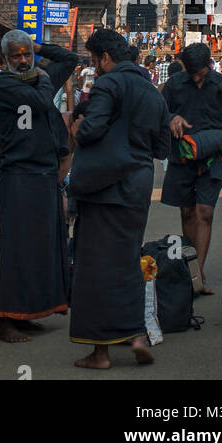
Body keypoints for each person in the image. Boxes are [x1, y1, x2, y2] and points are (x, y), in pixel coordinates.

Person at [68, 28, 170, 370]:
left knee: (94, 267)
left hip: (105, 187)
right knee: (127, 261)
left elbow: (91, 129)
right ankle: (137, 336)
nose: (95, 68)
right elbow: (163, 146)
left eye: (95, 61)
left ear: (105, 59)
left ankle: (100, 354)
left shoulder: (109, 84)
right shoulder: (153, 91)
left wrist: (75, 128)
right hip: (139, 185)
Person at [0, 29, 70, 343]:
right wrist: (44, 75)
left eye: (26, 54)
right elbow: (40, 99)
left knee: (43, 246)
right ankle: (5, 321)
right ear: (6, 59)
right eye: (16, 56)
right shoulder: (3, 82)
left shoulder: (38, 75)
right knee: (17, 248)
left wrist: (39, 46)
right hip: (19, 175)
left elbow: (70, 58)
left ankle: (28, 312)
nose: (23, 60)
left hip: (45, 174)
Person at [161, 42, 222, 294]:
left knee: (205, 212)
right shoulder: (175, 83)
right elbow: (159, 110)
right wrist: (171, 118)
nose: (197, 78)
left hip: (212, 156)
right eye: (192, 74)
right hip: (182, 156)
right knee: (187, 212)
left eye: (200, 72)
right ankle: (190, 271)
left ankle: (198, 274)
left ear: (209, 65)